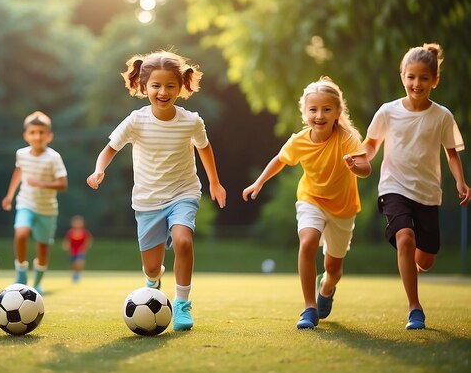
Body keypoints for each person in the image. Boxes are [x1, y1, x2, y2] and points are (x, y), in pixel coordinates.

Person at [86, 50, 227, 331]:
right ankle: (153, 281)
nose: (163, 92)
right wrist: (99, 169)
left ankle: (182, 304)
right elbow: (109, 149)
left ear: (182, 86)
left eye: (170, 85)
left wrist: (214, 182)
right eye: (156, 85)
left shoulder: (191, 121)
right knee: (152, 267)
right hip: (147, 200)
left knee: (183, 241)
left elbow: (205, 148)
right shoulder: (136, 121)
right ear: (143, 85)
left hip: (183, 192)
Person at [242, 76, 371, 329]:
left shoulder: (347, 139)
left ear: (337, 112)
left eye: (326, 109)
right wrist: (259, 182)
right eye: (313, 109)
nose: (319, 115)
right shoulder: (299, 140)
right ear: (304, 112)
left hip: (343, 208)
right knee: (308, 241)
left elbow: (366, 167)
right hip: (311, 199)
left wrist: (357, 166)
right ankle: (309, 308)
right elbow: (280, 160)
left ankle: (326, 287)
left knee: (333, 268)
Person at [363, 43, 470, 330]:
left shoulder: (442, 116)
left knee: (426, 259)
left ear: (435, 80)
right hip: (393, 187)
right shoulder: (388, 111)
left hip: (427, 193)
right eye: (411, 77)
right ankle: (415, 308)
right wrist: (360, 159)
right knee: (405, 238)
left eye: (424, 78)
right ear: (402, 76)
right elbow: (372, 144)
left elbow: (451, 152)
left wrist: (460, 181)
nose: (416, 83)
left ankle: (409, 266)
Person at [1, 111, 68, 295]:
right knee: (21, 234)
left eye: (41, 132)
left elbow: (63, 184)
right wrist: (9, 195)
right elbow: (19, 172)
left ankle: (37, 283)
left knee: (43, 247)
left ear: (49, 136)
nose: (37, 136)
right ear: (26, 135)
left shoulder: (53, 157)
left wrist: (41, 183)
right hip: (26, 203)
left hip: (47, 210)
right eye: (33, 132)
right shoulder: (21, 154)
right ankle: (21, 272)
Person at [63, 215, 93, 283]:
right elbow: (67, 241)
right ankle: (75, 273)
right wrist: (66, 246)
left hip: (80, 251)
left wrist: (85, 247)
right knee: (73, 264)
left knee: (79, 262)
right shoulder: (70, 232)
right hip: (72, 251)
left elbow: (88, 240)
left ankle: (78, 274)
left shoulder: (85, 232)